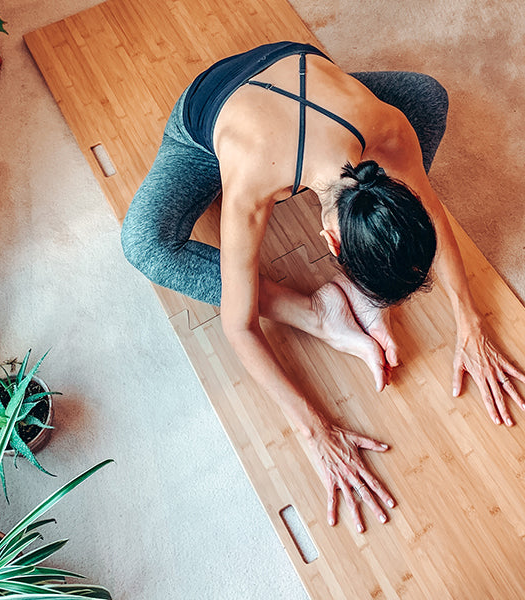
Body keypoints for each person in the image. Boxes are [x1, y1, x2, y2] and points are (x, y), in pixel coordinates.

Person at [121, 41, 525, 533]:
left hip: (314, 92)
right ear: (330, 242)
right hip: (211, 111)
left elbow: (434, 213)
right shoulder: (250, 182)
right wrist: (314, 429)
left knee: (427, 96)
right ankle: (318, 309)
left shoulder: (386, 127)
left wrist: (470, 322)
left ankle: (372, 251)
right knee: (143, 243)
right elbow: (239, 325)